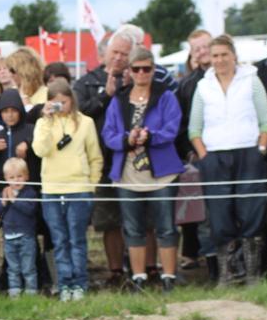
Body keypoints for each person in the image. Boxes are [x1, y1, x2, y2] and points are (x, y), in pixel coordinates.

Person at [75, 26, 178, 289]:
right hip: (111, 165)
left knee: (157, 224)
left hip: (154, 168)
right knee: (116, 223)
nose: (120, 59)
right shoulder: (92, 85)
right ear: (105, 53)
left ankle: (160, 272)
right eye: (116, 53)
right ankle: (125, 274)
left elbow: (172, 125)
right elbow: (86, 117)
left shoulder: (161, 92)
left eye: (125, 55)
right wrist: (106, 99)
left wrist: (148, 136)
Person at [188, 35, 267, 286]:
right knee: (219, 214)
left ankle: (252, 273)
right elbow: (194, 128)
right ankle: (226, 274)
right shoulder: (203, 86)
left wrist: (261, 149)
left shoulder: (252, 80)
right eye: (215, 56)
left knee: (251, 211)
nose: (220, 60)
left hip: (248, 152)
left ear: (234, 55)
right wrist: (204, 155)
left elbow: (266, 121)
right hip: (215, 155)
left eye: (224, 54)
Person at [102, 47, 184, 293]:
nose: (141, 73)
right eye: (136, 69)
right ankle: (138, 278)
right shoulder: (118, 99)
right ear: (129, 71)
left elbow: (173, 127)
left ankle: (169, 276)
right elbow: (108, 134)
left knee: (166, 226)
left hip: (162, 174)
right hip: (128, 175)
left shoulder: (166, 96)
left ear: (153, 70)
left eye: (146, 68)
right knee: (133, 227)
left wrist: (151, 136)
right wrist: (126, 140)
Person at [33, 78, 103, 300]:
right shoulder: (43, 123)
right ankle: (64, 284)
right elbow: (40, 150)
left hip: (79, 187)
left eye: (64, 102)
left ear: (72, 100)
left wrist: (90, 185)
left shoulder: (86, 123)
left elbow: (95, 157)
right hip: (51, 188)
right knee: (59, 240)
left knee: (77, 239)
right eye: (55, 102)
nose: (60, 106)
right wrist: (45, 120)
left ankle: (80, 284)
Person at [176, 29, 214, 276]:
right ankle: (211, 265)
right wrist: (190, 152)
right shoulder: (187, 86)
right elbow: (181, 124)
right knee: (203, 214)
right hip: (199, 156)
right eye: (196, 48)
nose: (202, 52)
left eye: (205, 46)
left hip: (228, 151)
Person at [0, 157, 39, 296]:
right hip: (9, 237)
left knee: (28, 267)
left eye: (20, 176)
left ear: (26, 176)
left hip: (26, 236)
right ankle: (15, 293)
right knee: (13, 268)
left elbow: (30, 210)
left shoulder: (30, 193)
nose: (16, 180)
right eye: (12, 177)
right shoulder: (4, 194)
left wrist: (14, 200)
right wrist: (4, 202)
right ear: (6, 178)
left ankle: (31, 292)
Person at [6, 47, 48, 112]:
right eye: (9, 70)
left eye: (12, 70)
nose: (10, 75)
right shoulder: (13, 93)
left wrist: (25, 100)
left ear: (25, 72)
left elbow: (37, 120)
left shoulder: (45, 93)